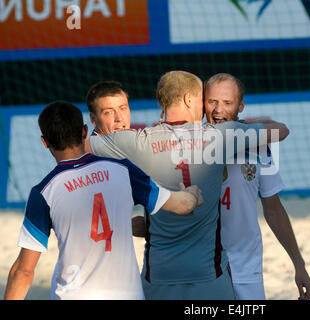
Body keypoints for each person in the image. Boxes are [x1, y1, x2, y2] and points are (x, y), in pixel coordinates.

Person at [85, 70, 290, 300]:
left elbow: (79, 146)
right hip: (208, 275)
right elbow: (281, 130)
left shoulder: (137, 141)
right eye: (203, 99)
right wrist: (240, 126)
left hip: (160, 275)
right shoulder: (220, 136)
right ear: (189, 100)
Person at [4, 101, 203, 300]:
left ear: (45, 142)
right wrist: (193, 195)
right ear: (84, 132)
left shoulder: (43, 192)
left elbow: (24, 270)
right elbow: (182, 205)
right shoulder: (123, 170)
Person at [203, 73, 310, 300]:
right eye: (212, 101)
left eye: (227, 103)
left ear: (241, 106)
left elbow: (273, 208)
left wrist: (298, 264)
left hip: (246, 266)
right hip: (202, 267)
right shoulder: (191, 141)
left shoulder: (258, 145)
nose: (218, 110)